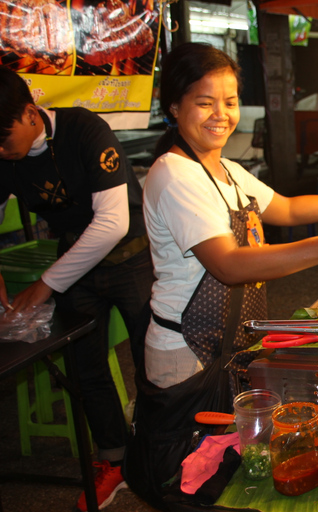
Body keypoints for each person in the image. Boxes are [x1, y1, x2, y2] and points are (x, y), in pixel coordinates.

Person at [126, 42, 318, 506]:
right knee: (187, 472)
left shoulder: (224, 168)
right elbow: (228, 264)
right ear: (174, 106)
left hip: (228, 340)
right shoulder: (174, 175)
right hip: (187, 352)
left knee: (229, 464)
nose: (220, 115)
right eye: (204, 102)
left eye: (229, 102)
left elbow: (284, 207)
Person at [0, 67, 154, 511]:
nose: (1, 152)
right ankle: (114, 458)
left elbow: (112, 223)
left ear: (30, 113)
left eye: (3, 140)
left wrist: (46, 284)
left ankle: (162, 448)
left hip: (130, 258)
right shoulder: (4, 157)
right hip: (76, 266)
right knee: (87, 369)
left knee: (151, 360)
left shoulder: (85, 129)